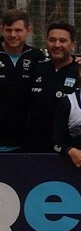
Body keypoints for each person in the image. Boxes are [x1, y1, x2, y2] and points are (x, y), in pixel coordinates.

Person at [27, 21, 80, 152]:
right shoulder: (37, 68)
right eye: (52, 40)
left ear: (72, 44)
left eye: (63, 40)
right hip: (35, 148)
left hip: (70, 151)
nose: (57, 45)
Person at [0, 10, 45, 152]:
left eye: (18, 30)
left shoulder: (36, 56)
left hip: (24, 141)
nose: (13, 35)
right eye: (9, 30)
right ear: (2, 30)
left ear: (28, 31)